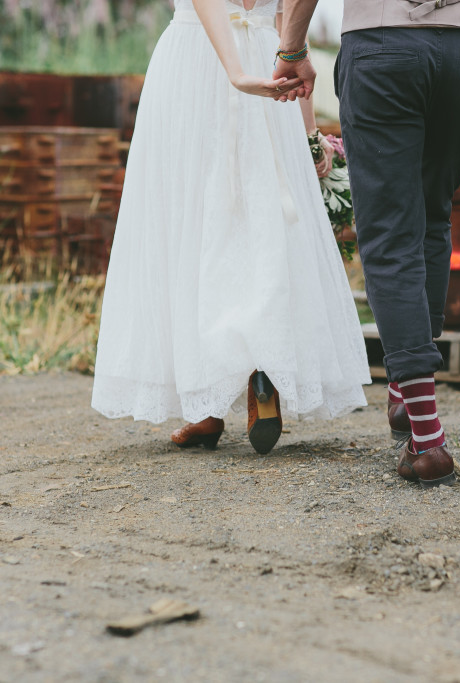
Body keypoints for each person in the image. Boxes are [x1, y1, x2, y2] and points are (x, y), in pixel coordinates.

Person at [274, 0, 460, 486]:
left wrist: (292, 47)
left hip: (382, 42)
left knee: (388, 230)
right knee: (430, 214)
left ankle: (427, 438)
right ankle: (407, 391)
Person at [91, 0, 371, 455]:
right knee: (265, 221)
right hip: (272, 58)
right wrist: (307, 134)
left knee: (193, 220)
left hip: (199, 60)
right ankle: (262, 373)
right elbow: (289, 17)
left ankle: (205, 404)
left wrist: (237, 73)